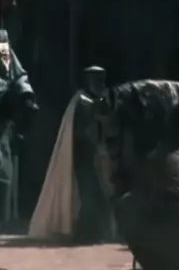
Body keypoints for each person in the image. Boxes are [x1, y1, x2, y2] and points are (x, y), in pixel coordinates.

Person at [28, 65, 115, 242]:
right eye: (93, 77)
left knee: (100, 194)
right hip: (84, 156)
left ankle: (96, 233)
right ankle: (85, 234)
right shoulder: (80, 101)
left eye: (100, 77)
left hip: (100, 155)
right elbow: (80, 131)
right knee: (89, 194)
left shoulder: (104, 97)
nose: (97, 81)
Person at [0, 0, 38, 222]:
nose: (14, 4)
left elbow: (8, 69)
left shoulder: (2, 34)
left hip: (2, 114)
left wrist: (24, 94)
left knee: (3, 176)